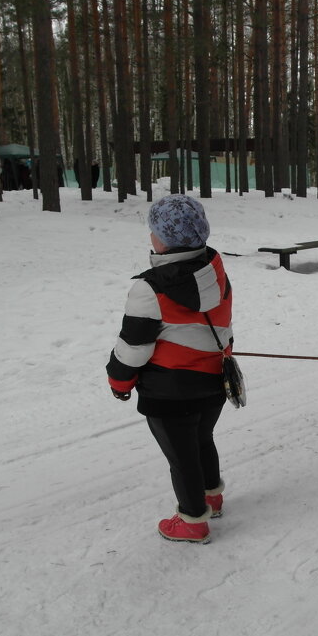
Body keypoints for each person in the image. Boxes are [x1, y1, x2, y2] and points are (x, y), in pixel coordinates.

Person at [107, 195, 233, 543]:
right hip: (214, 379)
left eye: (154, 230)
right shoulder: (215, 269)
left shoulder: (150, 289)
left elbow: (134, 347)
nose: (151, 236)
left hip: (169, 391)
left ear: (162, 238)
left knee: (182, 457)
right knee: (202, 438)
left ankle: (193, 521)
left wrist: (119, 380)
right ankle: (212, 496)